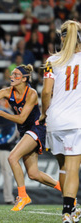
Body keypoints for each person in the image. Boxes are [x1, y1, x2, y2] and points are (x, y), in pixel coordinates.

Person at [0, 64, 61, 211]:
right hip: (26, 131)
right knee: (33, 174)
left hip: (36, 128)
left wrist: (1, 113)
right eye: (12, 74)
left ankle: (23, 195)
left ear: (24, 79)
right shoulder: (6, 91)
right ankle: (65, 190)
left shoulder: (31, 93)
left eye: (16, 75)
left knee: (12, 158)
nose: (12, 77)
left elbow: (21, 118)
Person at [39, 20, 81, 223]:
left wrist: (43, 113)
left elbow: (46, 92)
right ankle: (68, 212)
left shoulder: (52, 60)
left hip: (54, 120)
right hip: (76, 121)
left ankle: (71, 209)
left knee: (63, 167)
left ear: (62, 38)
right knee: (73, 168)